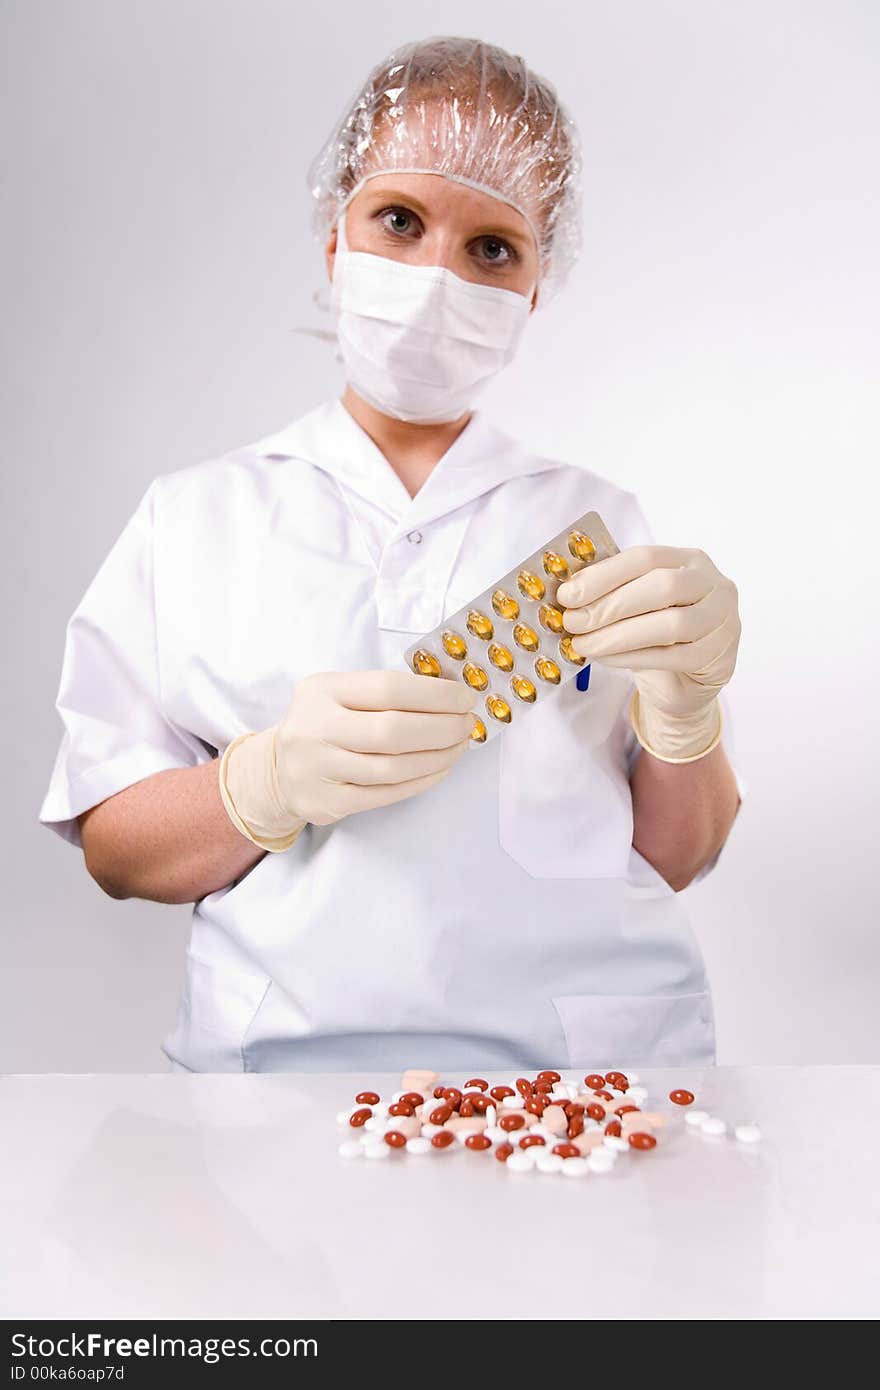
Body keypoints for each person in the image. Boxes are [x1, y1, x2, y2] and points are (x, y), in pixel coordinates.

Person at [38, 36, 744, 1073]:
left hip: (584, 1074)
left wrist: (685, 709)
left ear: (535, 289)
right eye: (399, 221)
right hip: (281, 1083)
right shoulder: (193, 520)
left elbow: (678, 856)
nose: (433, 279)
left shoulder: (599, 522)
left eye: (491, 247)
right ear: (336, 237)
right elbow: (116, 852)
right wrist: (262, 781)